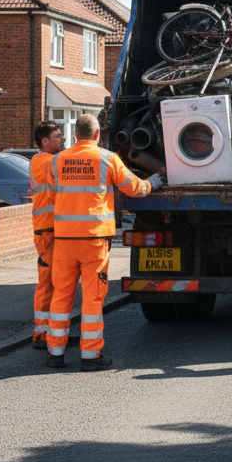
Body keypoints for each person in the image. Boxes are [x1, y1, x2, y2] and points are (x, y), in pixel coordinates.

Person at [46, 113, 162, 371]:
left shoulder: (57, 160)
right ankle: (90, 355)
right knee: (92, 297)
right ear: (97, 135)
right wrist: (154, 181)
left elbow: (54, 191)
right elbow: (134, 189)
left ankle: (55, 352)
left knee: (61, 294)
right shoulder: (107, 159)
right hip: (94, 239)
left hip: (64, 238)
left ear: (75, 134)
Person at [29, 120, 65, 350]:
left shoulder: (44, 160)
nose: (62, 140)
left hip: (50, 228)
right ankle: (41, 333)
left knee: (55, 281)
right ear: (45, 141)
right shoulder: (45, 162)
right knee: (47, 282)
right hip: (47, 229)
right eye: (58, 136)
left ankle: (51, 330)